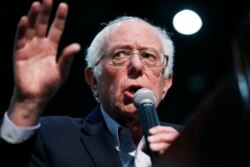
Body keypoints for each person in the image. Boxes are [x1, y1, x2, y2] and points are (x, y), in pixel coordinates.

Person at [0, 0, 183, 166]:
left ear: (166, 83)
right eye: (119, 54)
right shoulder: (51, 137)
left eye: (149, 56)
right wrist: (26, 105)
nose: (136, 65)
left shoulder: (193, 143)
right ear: (94, 80)